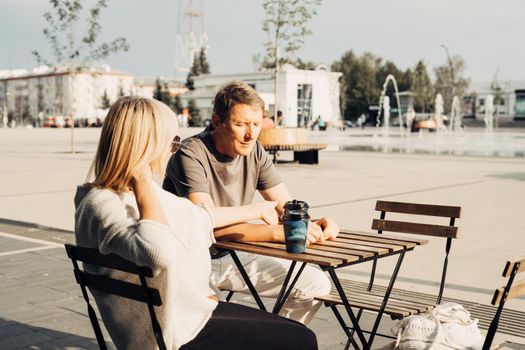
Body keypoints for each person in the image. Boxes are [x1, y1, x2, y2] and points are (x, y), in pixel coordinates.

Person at [74, 96, 318, 350]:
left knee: (295, 331)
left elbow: (199, 217)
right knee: (301, 340)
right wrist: (143, 182)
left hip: (186, 314)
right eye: (171, 142)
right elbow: (160, 253)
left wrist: (258, 209)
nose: (172, 150)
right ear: (148, 145)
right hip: (171, 335)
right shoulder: (103, 204)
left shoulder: (127, 196)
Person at [163, 81, 339, 325]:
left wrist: (312, 223)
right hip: (192, 262)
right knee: (211, 326)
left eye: (256, 124)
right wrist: (278, 233)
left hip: (233, 256)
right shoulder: (190, 154)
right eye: (241, 124)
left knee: (314, 283)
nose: (251, 134)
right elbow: (208, 225)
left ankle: (280, 342)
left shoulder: (254, 151)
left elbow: (285, 207)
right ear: (217, 121)